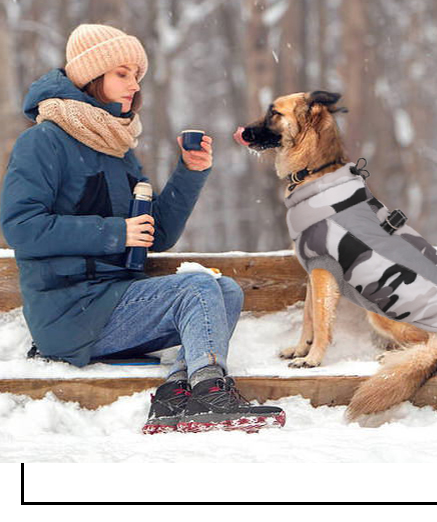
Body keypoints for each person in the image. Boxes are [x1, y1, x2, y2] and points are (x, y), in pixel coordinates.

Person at [0, 23, 284, 433]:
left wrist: (189, 173)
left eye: (136, 75)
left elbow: (158, 236)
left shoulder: (117, 149)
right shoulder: (43, 142)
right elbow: (22, 227)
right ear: (90, 76)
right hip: (69, 310)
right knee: (197, 287)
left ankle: (177, 395)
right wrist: (116, 232)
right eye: (122, 73)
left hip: (114, 299)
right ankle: (209, 390)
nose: (133, 84)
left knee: (224, 289)